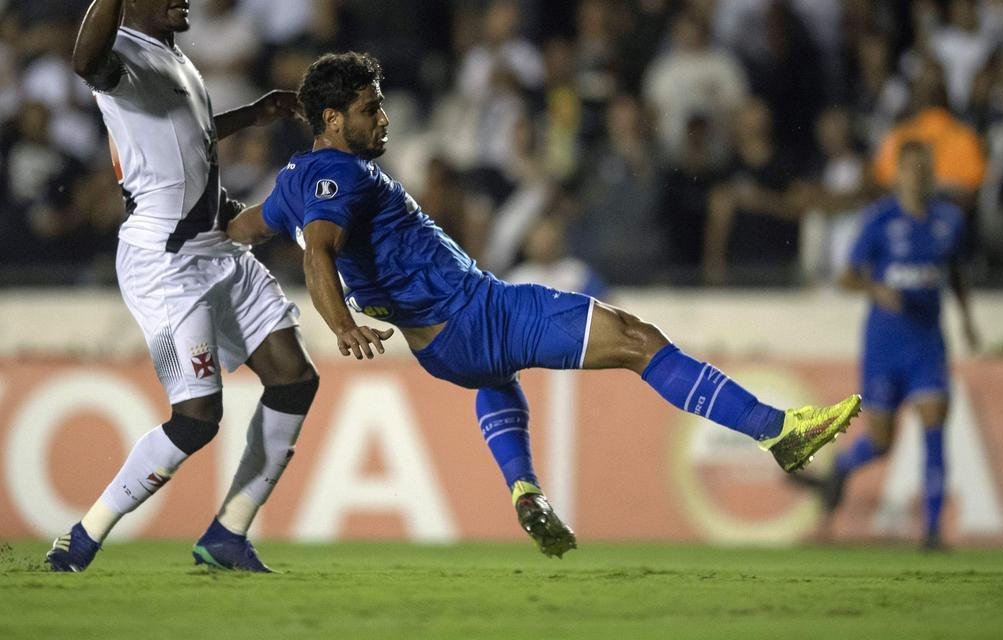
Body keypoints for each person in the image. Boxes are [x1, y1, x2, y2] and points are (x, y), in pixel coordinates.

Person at [226, 51, 863, 557]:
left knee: (499, 382)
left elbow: (243, 230)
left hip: (444, 351)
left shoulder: (293, 183)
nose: (384, 119)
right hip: (479, 314)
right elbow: (318, 252)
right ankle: (778, 432)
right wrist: (340, 325)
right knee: (639, 341)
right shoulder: (343, 176)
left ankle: (525, 489)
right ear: (333, 120)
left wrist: (182, 211)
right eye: (371, 109)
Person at [46, 0, 319, 574]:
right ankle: (82, 537)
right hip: (165, 259)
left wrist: (250, 116)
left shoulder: (176, 59)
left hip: (216, 244)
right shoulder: (124, 56)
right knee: (198, 418)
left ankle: (228, 532)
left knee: (293, 379)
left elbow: (184, 141)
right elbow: (84, 61)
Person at [803, 140, 979, 550]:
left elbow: (955, 272)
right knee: (881, 441)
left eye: (924, 167)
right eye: (910, 168)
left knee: (935, 424)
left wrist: (968, 321)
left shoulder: (949, 221)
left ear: (932, 173)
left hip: (927, 344)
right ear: (896, 174)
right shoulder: (879, 220)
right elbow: (846, 277)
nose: (918, 175)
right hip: (884, 344)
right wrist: (875, 288)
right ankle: (841, 469)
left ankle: (933, 531)